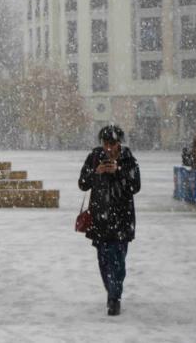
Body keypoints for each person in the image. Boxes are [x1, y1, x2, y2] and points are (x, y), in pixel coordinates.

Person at [78, 124, 141, 316]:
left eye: (112, 143)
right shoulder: (95, 157)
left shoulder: (128, 159)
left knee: (118, 261)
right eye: (105, 143)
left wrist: (118, 171)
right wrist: (95, 172)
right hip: (100, 219)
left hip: (122, 219)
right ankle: (112, 291)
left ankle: (114, 298)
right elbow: (82, 183)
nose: (108, 148)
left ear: (119, 143)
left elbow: (135, 186)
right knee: (104, 261)